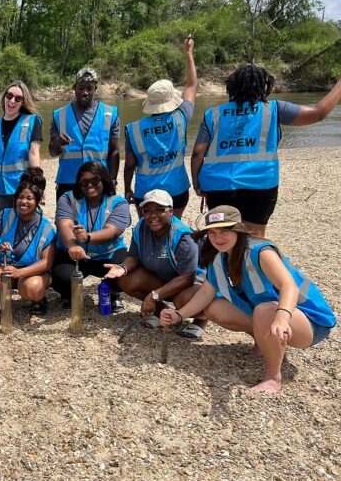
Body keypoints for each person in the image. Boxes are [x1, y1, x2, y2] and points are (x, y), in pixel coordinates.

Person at [160, 206, 336, 394]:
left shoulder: (260, 251)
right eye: (212, 233)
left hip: (311, 323)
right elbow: (206, 293)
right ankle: (264, 341)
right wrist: (179, 315)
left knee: (265, 310)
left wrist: (282, 318)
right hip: (274, 315)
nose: (217, 238)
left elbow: (289, 286)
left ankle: (273, 377)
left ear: (238, 230)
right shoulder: (220, 257)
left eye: (224, 231)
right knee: (215, 307)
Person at [191, 66, 341, 237]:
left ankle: (224, 263)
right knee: (254, 238)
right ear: (265, 86)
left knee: (222, 236)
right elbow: (318, 113)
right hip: (260, 184)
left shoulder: (213, 114)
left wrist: (197, 184)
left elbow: (197, 152)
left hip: (218, 185)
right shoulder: (274, 109)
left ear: (231, 87)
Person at [102, 189, 205, 338]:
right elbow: (134, 256)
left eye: (159, 209)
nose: (153, 215)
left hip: (187, 284)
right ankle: (161, 312)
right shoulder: (141, 227)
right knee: (125, 279)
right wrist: (122, 268)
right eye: (147, 210)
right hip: (160, 278)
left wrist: (154, 295)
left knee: (183, 301)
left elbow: (187, 276)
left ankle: (200, 321)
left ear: (171, 211)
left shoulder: (183, 236)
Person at [124, 36, 197, 217]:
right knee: (174, 227)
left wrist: (127, 189)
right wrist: (188, 52)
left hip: (145, 192)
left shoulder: (133, 129)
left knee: (148, 231)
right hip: (177, 188)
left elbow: (129, 166)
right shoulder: (181, 117)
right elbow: (192, 85)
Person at [52, 161, 130, 311]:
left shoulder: (119, 202)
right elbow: (64, 225)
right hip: (75, 255)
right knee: (61, 277)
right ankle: (69, 294)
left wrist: (87, 237)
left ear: (104, 180)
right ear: (78, 184)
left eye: (95, 180)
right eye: (84, 182)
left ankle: (114, 294)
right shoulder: (67, 198)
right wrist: (73, 246)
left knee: (122, 275)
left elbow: (112, 231)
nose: (89, 185)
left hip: (108, 254)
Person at [0, 167, 56, 315]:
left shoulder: (47, 227)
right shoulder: (5, 215)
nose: (24, 202)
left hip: (32, 271)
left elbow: (46, 262)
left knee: (32, 288)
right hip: (6, 267)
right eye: (20, 197)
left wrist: (20, 272)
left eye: (29, 198)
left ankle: (38, 299)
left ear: (37, 200)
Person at [49, 68, 120, 200]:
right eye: (81, 88)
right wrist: (57, 142)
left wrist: (112, 180)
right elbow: (52, 152)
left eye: (89, 88)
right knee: (67, 220)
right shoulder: (59, 115)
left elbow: (114, 151)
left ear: (95, 89)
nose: (85, 92)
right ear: (74, 88)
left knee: (98, 220)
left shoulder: (110, 114)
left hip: (98, 181)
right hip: (68, 181)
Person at [0, 81, 43, 211]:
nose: (12, 101)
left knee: (25, 227)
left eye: (18, 98)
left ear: (23, 102)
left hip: (23, 187)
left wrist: (38, 184)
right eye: (9, 95)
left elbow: (34, 153)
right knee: (5, 227)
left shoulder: (32, 121)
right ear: (4, 97)